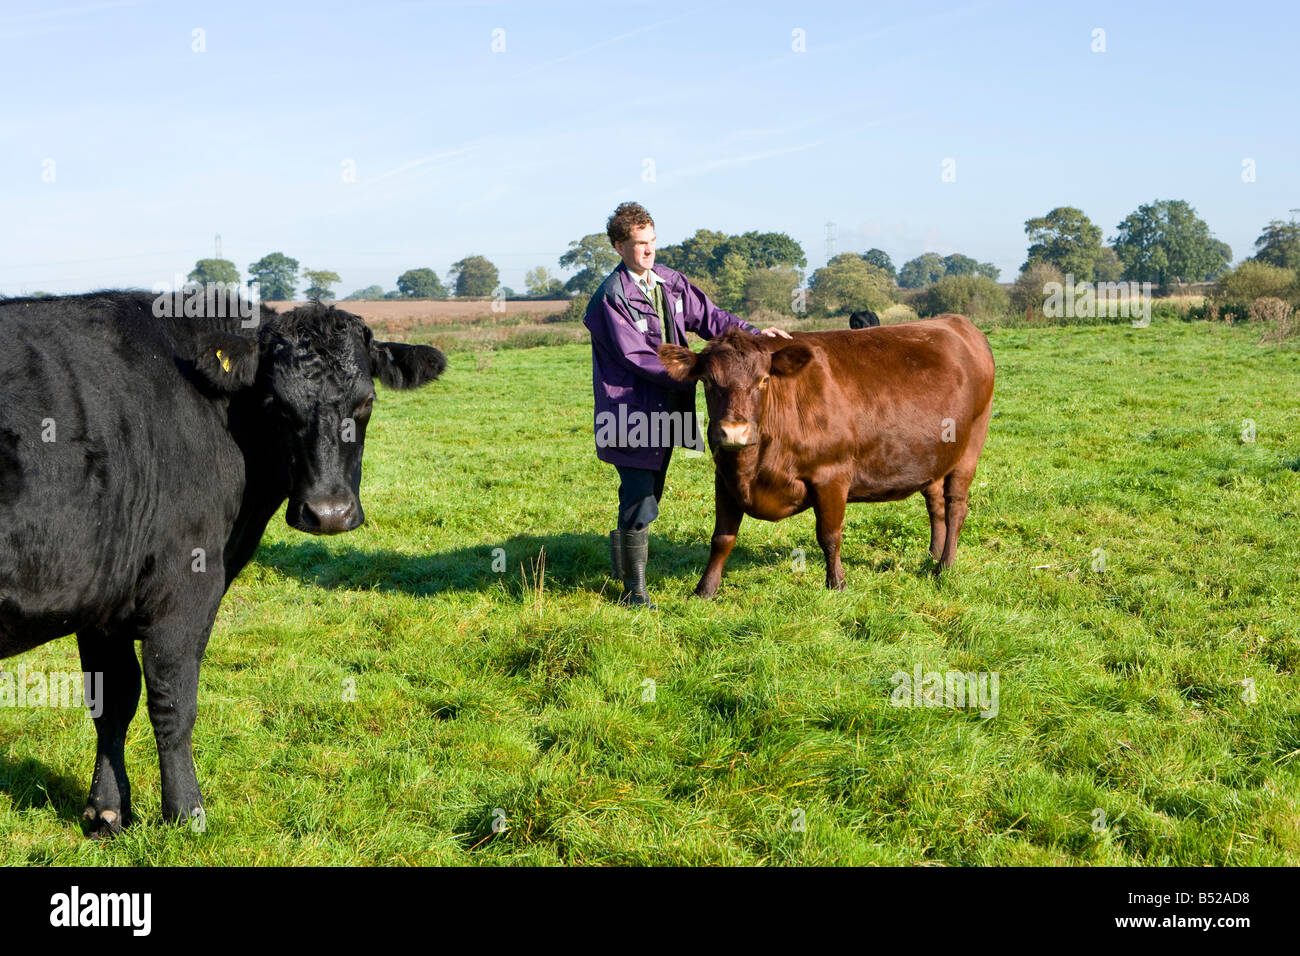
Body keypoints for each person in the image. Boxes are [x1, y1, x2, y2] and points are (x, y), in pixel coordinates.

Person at [582, 201, 791, 606]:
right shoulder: (610, 297)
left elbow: (711, 317)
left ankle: (624, 571)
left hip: (667, 408)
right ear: (618, 246)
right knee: (640, 494)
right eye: (639, 244)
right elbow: (637, 357)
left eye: (653, 241)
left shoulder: (670, 282)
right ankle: (633, 591)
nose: (648, 251)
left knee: (650, 492)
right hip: (630, 410)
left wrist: (753, 333)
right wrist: (698, 370)